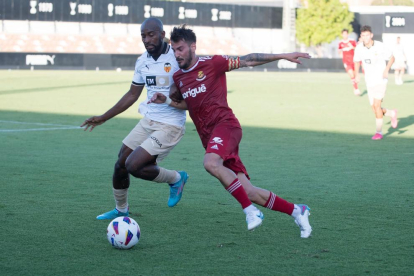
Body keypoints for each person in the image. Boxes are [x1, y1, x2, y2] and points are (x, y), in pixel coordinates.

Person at [149, 25, 312, 238]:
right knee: (250, 191)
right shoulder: (179, 78)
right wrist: (168, 100)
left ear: (192, 47)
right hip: (211, 139)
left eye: (180, 49)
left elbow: (249, 59)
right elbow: (189, 105)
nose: (176, 54)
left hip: (226, 126)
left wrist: (283, 55)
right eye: (174, 49)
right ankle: (297, 211)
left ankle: (250, 211)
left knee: (210, 163)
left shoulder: (213, 63)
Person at [81, 18, 189, 220]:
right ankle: (121, 210)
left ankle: (176, 178)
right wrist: (104, 117)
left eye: (151, 34)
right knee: (120, 164)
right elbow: (132, 94)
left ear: (162, 34)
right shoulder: (142, 61)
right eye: (143, 36)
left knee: (134, 165)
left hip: (171, 125)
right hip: (148, 120)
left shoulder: (177, 58)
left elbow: (192, 88)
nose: (147, 39)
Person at [354, 25, 398, 140]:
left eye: (367, 35)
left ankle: (379, 132)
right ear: (361, 37)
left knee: (377, 105)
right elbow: (357, 61)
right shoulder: (359, 48)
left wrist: (386, 70)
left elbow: (392, 57)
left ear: (371, 35)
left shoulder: (380, 46)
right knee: (374, 108)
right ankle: (391, 113)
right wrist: (357, 75)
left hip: (381, 80)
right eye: (363, 36)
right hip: (369, 81)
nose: (365, 37)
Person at [338, 29, 360, 96]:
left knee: (354, 75)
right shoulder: (340, 43)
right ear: (342, 35)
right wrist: (342, 57)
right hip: (346, 62)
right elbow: (339, 51)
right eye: (343, 34)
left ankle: (355, 87)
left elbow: (357, 48)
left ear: (348, 34)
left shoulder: (352, 41)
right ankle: (356, 89)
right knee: (351, 74)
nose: (345, 35)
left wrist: (352, 47)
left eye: (346, 34)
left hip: (353, 60)